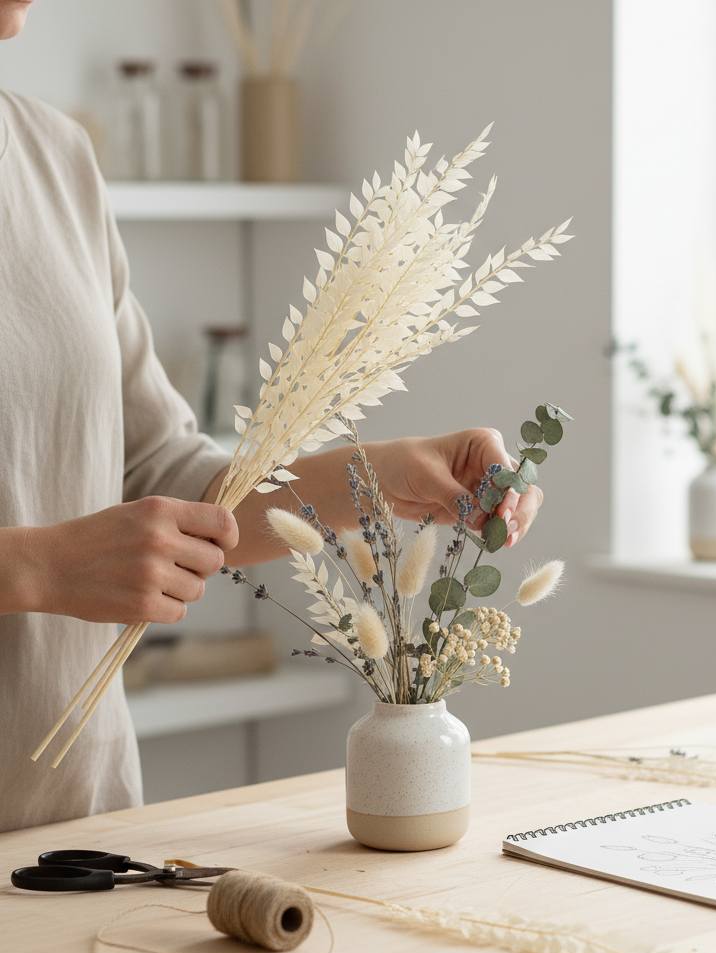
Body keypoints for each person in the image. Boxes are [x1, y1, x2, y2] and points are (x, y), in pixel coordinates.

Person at [0, 0, 542, 831]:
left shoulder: (54, 159)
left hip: (78, 828)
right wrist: (33, 569)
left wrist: (381, 477)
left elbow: (174, 480)